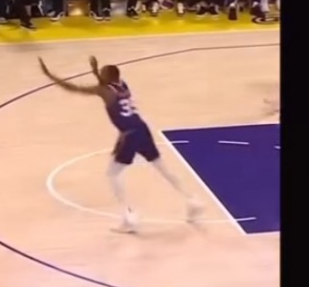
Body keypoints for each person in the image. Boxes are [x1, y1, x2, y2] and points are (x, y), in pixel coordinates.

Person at [37, 55, 201, 231]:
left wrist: (49, 75)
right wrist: (95, 72)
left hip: (129, 135)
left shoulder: (103, 91)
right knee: (162, 167)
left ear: (107, 77)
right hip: (142, 129)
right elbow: (107, 85)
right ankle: (192, 200)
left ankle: (129, 217)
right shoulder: (123, 85)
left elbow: (74, 88)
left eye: (102, 73)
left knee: (113, 174)